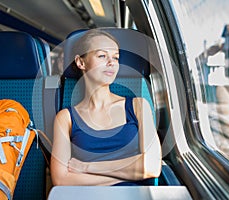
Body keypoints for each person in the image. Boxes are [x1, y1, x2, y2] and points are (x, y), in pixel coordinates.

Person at [51, 29, 162, 186]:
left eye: (115, 58)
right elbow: (61, 180)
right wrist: (129, 174)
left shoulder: (138, 106)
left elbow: (151, 166)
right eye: (102, 56)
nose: (111, 63)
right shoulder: (66, 117)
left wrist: (87, 167)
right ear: (81, 62)